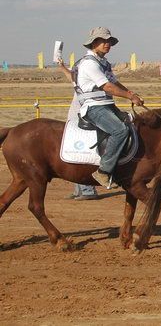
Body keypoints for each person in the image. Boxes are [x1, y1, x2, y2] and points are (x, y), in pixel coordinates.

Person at [73, 27, 144, 189]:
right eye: (104, 41)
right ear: (93, 43)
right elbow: (108, 87)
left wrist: (130, 93)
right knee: (120, 130)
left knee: (133, 123)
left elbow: (115, 83)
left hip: (107, 105)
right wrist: (130, 97)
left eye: (109, 41)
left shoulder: (103, 63)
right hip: (94, 108)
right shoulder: (89, 64)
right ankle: (103, 171)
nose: (108, 44)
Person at [57, 59, 100, 200]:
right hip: (75, 122)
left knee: (82, 155)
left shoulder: (88, 84)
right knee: (74, 155)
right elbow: (71, 77)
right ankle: (79, 189)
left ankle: (88, 190)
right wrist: (62, 67)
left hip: (84, 122)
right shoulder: (79, 81)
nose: (74, 73)